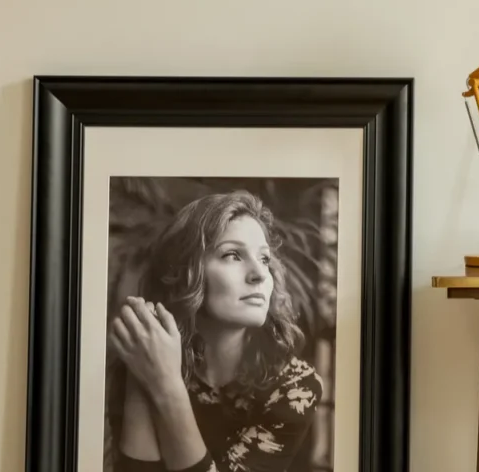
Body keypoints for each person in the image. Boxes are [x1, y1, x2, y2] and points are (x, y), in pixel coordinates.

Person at [108, 190, 322, 472]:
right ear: (185, 272)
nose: (259, 274)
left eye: (265, 259)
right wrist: (143, 368)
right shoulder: (147, 354)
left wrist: (165, 385)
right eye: (233, 255)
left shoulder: (295, 388)